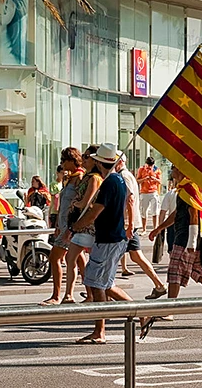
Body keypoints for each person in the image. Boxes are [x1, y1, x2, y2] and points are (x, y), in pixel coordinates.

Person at [72, 143, 149, 344]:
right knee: (104, 284)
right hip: (113, 238)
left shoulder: (109, 183)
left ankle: (100, 331)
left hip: (109, 239)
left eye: (94, 159)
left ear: (99, 163)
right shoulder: (118, 180)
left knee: (96, 283)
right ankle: (140, 313)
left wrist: (75, 226)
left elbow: (95, 211)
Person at [148, 167, 202, 308]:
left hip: (185, 239)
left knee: (174, 272)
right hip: (185, 238)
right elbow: (176, 213)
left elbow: (194, 214)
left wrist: (192, 242)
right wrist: (159, 228)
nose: (171, 171)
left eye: (174, 168)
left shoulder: (188, 188)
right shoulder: (183, 189)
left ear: (181, 171)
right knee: (198, 272)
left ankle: (169, 309)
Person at [116, 157, 167, 299]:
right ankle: (159, 284)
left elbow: (130, 200)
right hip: (130, 223)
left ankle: (104, 291)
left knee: (112, 255)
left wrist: (129, 224)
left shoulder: (123, 176)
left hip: (126, 224)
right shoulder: (130, 174)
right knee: (136, 255)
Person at [42, 151, 85, 306]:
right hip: (64, 225)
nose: (61, 164)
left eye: (63, 160)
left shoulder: (79, 178)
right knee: (78, 260)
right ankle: (86, 293)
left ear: (71, 160)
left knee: (55, 258)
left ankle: (57, 295)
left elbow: (81, 203)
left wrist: (70, 226)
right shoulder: (70, 178)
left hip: (70, 227)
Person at [63, 145, 103, 303]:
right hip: (81, 225)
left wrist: (75, 203)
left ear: (94, 159)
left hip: (88, 226)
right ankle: (74, 294)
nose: (83, 159)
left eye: (86, 157)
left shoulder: (94, 178)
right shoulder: (88, 176)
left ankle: (92, 294)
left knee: (86, 261)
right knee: (74, 258)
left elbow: (88, 201)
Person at [136, 157, 162, 232]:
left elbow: (160, 181)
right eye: (149, 165)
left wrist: (155, 179)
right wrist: (144, 179)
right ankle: (144, 229)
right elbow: (137, 181)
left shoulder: (157, 170)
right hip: (144, 192)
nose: (150, 167)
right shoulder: (141, 169)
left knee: (155, 211)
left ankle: (155, 228)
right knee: (144, 211)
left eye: (151, 165)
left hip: (153, 192)